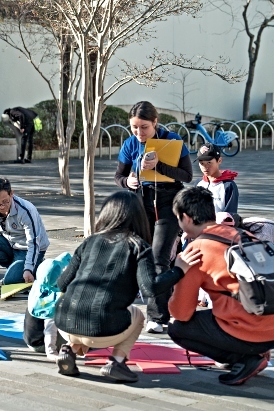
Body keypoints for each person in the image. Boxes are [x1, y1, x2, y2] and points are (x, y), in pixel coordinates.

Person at [53, 191, 199, 382]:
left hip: (63, 322)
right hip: (102, 328)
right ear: (139, 217)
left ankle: (68, 351)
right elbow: (150, 289)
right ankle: (117, 362)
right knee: (137, 316)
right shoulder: (139, 246)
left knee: (83, 309)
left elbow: (62, 283)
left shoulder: (89, 241)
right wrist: (179, 270)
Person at [168, 187, 274, 386]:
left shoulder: (196, 250)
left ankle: (245, 359)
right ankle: (255, 351)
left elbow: (181, 312)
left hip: (252, 332)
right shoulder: (242, 234)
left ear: (185, 218)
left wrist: (178, 271)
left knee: (176, 328)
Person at [114, 101, 193, 334]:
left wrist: (160, 166)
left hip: (168, 202)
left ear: (155, 123)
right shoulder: (130, 144)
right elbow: (119, 175)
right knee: (142, 255)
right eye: (134, 127)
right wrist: (127, 182)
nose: (139, 133)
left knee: (159, 257)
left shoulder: (173, 140)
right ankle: (170, 302)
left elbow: (187, 176)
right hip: (140, 201)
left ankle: (157, 317)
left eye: (144, 127)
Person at [195, 143, 239, 214]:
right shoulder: (198, 183)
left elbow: (230, 215)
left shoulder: (228, 186)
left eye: (209, 162)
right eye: (202, 163)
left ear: (219, 161)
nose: (205, 167)